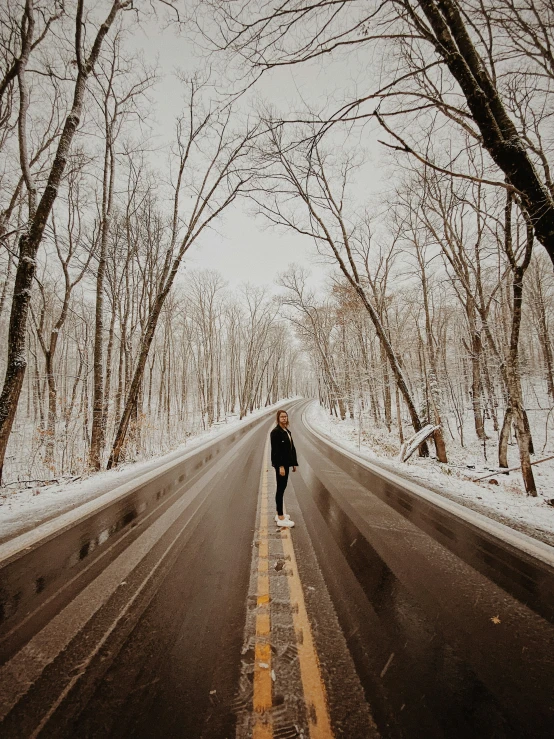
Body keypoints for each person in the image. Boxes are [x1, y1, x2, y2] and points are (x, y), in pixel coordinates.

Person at [270, 409, 298, 528]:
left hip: (287, 464)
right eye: (281, 417)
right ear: (278, 418)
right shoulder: (275, 432)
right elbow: (276, 452)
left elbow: (291, 448)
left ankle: (279, 513)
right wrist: (280, 466)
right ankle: (280, 516)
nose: (284, 418)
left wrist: (294, 463)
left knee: (282, 487)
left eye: (285, 417)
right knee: (280, 489)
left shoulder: (286, 431)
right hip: (281, 465)